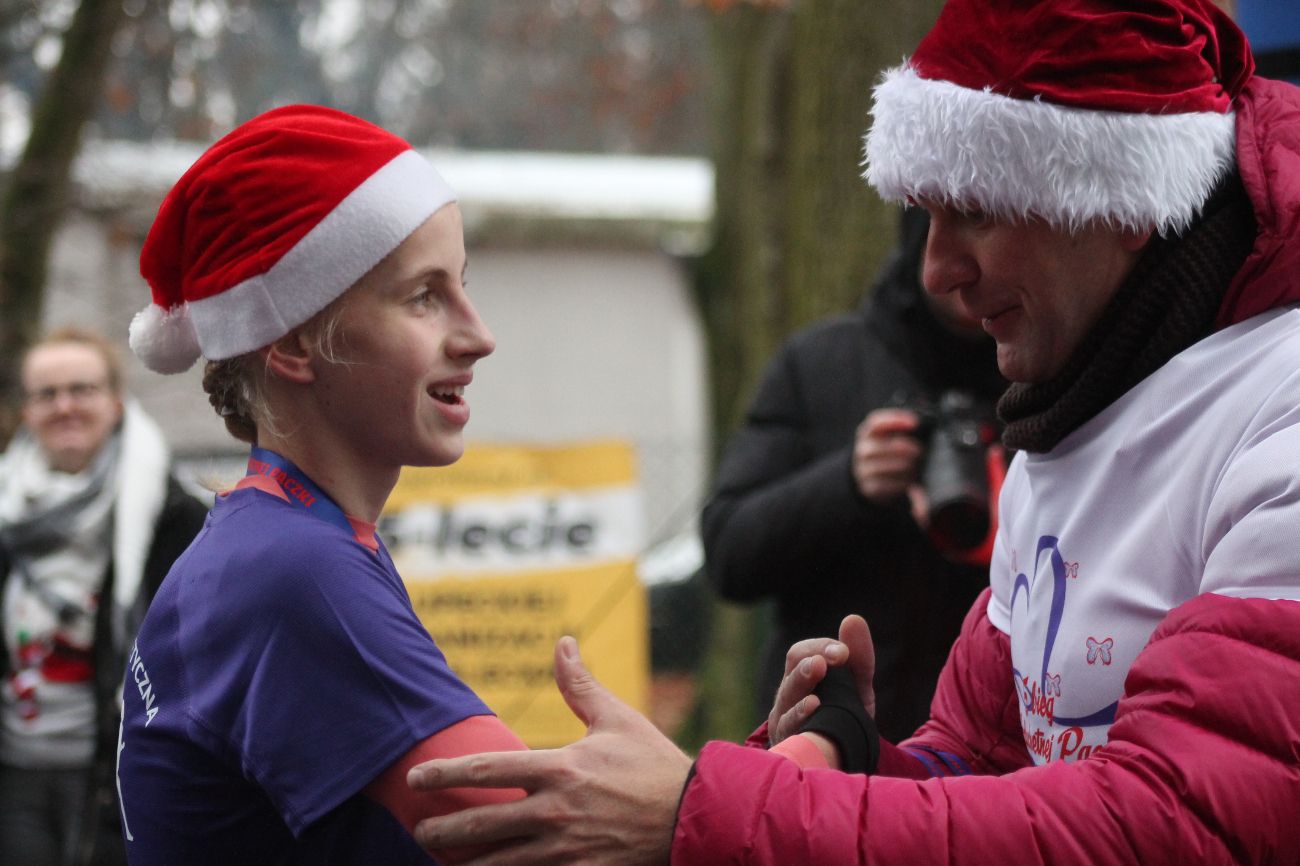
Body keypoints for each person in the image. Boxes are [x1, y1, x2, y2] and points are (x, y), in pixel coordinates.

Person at [401, 1, 1300, 863]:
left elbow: (1176, 825)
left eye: (975, 211)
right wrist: (853, 757)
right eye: (926, 219)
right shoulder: (1067, 405)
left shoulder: (1279, 406)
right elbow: (983, 757)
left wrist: (711, 815)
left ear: (1124, 200)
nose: (940, 268)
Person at [114, 105, 530, 865]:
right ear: (297, 342)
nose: (478, 335)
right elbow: (555, 838)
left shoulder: (282, 541)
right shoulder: (294, 573)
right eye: (424, 296)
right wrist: (810, 754)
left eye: (461, 286)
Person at [702, 205, 1006, 740]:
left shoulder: (1044, 375)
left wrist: (1007, 515)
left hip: (985, 742)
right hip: (828, 735)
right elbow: (730, 552)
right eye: (946, 232)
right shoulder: (821, 363)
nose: (963, 269)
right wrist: (849, 484)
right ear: (919, 241)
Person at [0, 327, 209, 866]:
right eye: (47, 394)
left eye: (82, 389)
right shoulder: (6, 509)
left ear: (115, 402)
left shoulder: (171, 515)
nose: (64, 406)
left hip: (120, 777)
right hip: (15, 776)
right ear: (26, 410)